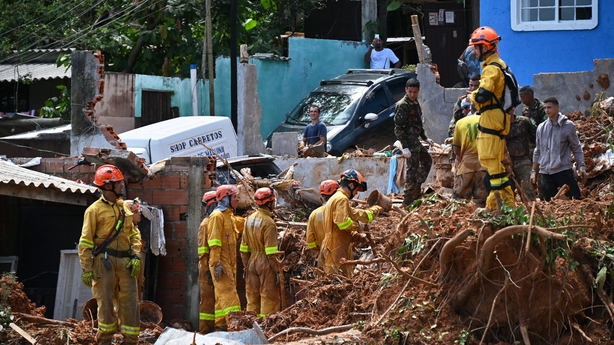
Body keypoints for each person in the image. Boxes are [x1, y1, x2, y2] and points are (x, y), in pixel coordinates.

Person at [78, 165, 141, 345]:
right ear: (107, 186)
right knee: (105, 304)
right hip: (103, 262)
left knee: (130, 303)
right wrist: (87, 268)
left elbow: (134, 234)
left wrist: (135, 256)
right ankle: (104, 341)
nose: (122, 186)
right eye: (118, 183)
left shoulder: (125, 208)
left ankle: (131, 341)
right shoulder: (94, 210)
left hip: (126, 262)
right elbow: (85, 242)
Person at [466, 26, 515, 210]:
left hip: (491, 119)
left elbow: (481, 96)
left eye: (477, 47)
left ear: (486, 47)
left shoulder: (491, 70)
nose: (475, 51)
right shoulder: (499, 65)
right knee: (496, 166)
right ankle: (508, 203)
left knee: (490, 162)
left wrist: (472, 96)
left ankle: (494, 205)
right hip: (498, 118)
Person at [320, 169, 383, 277]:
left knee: (333, 280)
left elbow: (356, 214)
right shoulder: (341, 199)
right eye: (357, 189)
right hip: (335, 248)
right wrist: (358, 226)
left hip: (332, 245)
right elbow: (343, 223)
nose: (356, 193)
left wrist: (375, 210)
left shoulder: (336, 198)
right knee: (337, 281)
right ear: (351, 185)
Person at [531, 97, 587, 201]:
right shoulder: (541, 128)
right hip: (545, 173)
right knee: (547, 203)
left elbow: (576, 147)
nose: (547, 110)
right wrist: (534, 171)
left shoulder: (568, 126)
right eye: (545, 108)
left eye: (549, 107)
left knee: (574, 200)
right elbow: (537, 150)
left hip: (563, 171)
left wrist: (582, 165)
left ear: (557, 107)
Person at [240, 187, 281, 317]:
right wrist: (277, 270)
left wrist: (247, 266)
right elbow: (271, 252)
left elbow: (243, 248)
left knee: (252, 298)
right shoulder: (269, 223)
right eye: (273, 201)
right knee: (269, 298)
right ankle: (266, 328)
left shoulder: (249, 219)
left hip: (251, 262)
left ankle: (251, 325)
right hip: (266, 264)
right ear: (269, 203)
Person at [394, 78, 434, 207]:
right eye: (410, 92)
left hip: (415, 140)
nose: (412, 94)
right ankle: (407, 199)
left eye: (414, 92)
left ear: (418, 91)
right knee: (412, 169)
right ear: (406, 90)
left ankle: (417, 188)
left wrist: (425, 138)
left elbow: (417, 123)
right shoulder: (403, 105)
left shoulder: (415, 103)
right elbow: (398, 128)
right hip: (409, 141)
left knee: (427, 160)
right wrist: (405, 147)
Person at [207, 185, 242, 329]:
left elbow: (242, 223)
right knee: (229, 297)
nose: (238, 199)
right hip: (220, 263)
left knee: (221, 299)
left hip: (229, 264)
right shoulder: (217, 217)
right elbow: (214, 243)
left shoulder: (229, 216)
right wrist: (217, 263)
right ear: (225, 199)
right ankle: (236, 327)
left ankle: (220, 326)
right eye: (234, 197)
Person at [452, 107, 487, 208]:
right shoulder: (489, 121)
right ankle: (478, 219)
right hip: (484, 165)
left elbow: (456, 148)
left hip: (466, 165)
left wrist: (459, 159)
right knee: (481, 199)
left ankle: (458, 221)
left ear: (471, 109)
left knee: (459, 200)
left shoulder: (460, 122)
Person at [197, 191, 217, 333]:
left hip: (210, 265)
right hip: (206, 266)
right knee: (207, 300)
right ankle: (205, 331)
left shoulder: (213, 221)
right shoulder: (205, 224)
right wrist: (206, 270)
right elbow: (203, 250)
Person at [506, 112, 537, 201]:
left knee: (527, 189)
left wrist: (531, 156)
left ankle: (531, 209)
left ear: (512, 110)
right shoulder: (500, 125)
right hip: (507, 162)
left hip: (523, 160)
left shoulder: (524, 122)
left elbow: (534, 138)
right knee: (507, 191)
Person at [306, 180, 339, 255]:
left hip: (324, 256)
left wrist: (321, 249)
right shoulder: (340, 211)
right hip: (343, 257)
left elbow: (310, 241)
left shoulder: (314, 214)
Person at [449, 74, 481, 138]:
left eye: (476, 86)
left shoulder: (486, 102)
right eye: (471, 85)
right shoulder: (462, 101)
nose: (473, 88)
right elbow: (455, 122)